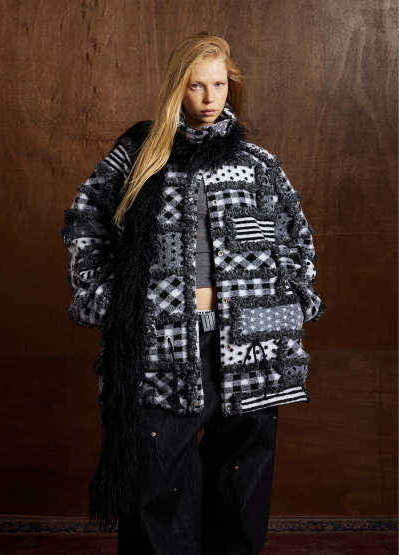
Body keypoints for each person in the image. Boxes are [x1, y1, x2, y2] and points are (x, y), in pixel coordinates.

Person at [61, 32, 325, 555]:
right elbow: (85, 221)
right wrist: (107, 298)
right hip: (163, 343)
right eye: (196, 86)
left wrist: (295, 299)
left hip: (254, 344)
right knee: (159, 480)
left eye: (219, 85)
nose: (209, 98)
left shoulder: (257, 163)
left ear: (231, 87)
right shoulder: (138, 155)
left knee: (241, 479)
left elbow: (295, 236)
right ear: (176, 89)